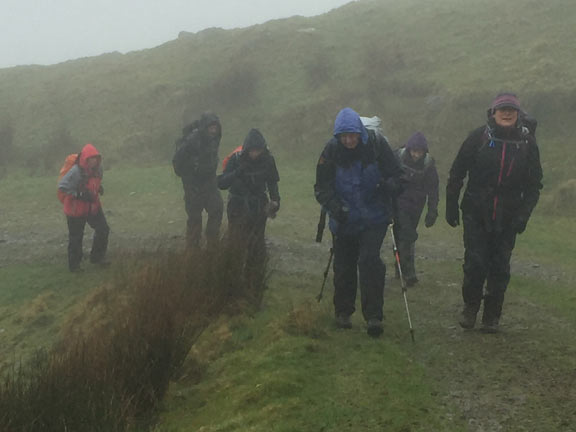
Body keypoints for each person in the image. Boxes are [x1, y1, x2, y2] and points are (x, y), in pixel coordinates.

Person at [446, 93, 543, 333]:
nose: (507, 113)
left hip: (508, 215)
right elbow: (457, 172)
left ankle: (491, 316)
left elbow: (534, 185)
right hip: (476, 211)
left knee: (500, 267)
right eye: (502, 109)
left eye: (511, 109)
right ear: (493, 112)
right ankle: (470, 308)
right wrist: (451, 204)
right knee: (475, 263)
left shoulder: (528, 143)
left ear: (519, 114)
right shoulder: (477, 137)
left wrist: (524, 215)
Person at [314, 107, 403, 337]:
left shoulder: (376, 145)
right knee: (344, 265)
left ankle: (374, 317)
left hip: (374, 218)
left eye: (352, 135)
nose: (349, 140)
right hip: (343, 219)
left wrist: (389, 186)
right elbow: (321, 188)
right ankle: (343, 313)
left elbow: (397, 175)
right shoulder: (331, 151)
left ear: (360, 133)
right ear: (337, 136)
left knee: (369, 261)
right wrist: (335, 207)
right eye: (344, 136)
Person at [217, 128, 280, 250]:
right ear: (247, 149)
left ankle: (256, 267)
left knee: (257, 242)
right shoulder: (235, 159)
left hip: (259, 204)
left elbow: (272, 182)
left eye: (258, 150)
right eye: (252, 150)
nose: (255, 154)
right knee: (236, 241)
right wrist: (237, 172)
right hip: (237, 204)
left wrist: (275, 200)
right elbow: (221, 183)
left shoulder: (268, 160)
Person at [393, 132, 439, 286]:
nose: (416, 155)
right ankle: (408, 272)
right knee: (407, 235)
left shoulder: (428, 164)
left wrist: (432, 211)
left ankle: (398, 268)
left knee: (404, 236)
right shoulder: (397, 157)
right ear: (408, 149)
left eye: (419, 152)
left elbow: (433, 189)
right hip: (398, 202)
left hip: (416, 206)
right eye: (413, 151)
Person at [172, 112, 224, 248]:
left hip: (210, 183)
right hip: (193, 185)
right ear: (205, 128)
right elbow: (178, 164)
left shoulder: (215, 139)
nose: (213, 131)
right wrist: (190, 179)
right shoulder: (192, 141)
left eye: (215, 128)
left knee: (217, 210)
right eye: (211, 128)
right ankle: (193, 252)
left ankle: (212, 245)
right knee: (195, 218)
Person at [58, 143, 110, 272]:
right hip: (75, 209)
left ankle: (97, 258)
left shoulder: (98, 169)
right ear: (85, 159)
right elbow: (62, 186)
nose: (94, 161)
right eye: (91, 158)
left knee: (103, 229)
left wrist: (99, 188)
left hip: (92, 206)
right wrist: (79, 194)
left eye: (96, 158)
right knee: (76, 237)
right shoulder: (76, 171)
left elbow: (96, 182)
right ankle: (74, 266)